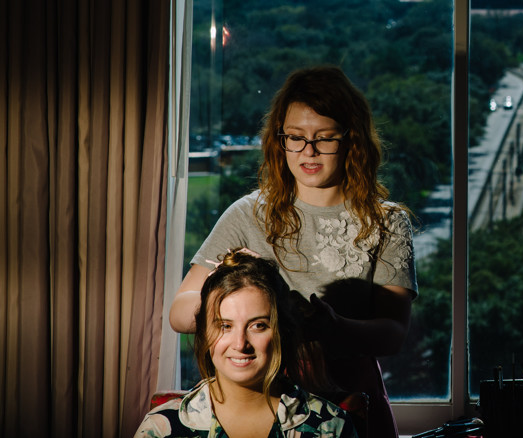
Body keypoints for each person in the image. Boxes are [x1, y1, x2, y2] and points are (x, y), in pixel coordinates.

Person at [170, 66, 418, 438]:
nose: (309, 151)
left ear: (352, 140)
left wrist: (334, 328)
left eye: (325, 138)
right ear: (279, 139)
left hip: (352, 403)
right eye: (296, 138)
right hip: (259, 402)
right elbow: (179, 311)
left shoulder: (387, 222)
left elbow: (393, 334)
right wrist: (229, 294)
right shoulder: (246, 214)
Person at [137, 249, 358, 437]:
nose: (240, 344)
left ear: (281, 331)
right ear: (205, 333)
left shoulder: (330, 427)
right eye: (225, 326)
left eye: (258, 325)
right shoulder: (160, 428)